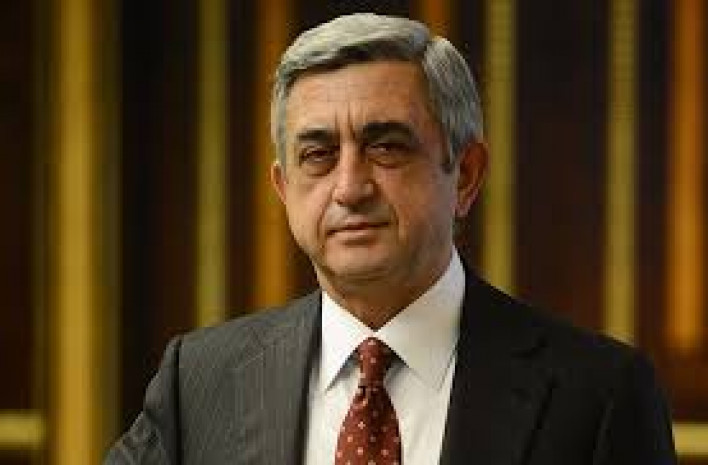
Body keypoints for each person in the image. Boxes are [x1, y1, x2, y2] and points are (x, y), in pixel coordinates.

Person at [105, 13, 677, 465]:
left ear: (466, 175)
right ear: (283, 188)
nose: (350, 187)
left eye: (386, 147)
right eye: (318, 154)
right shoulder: (199, 383)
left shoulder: (598, 395)